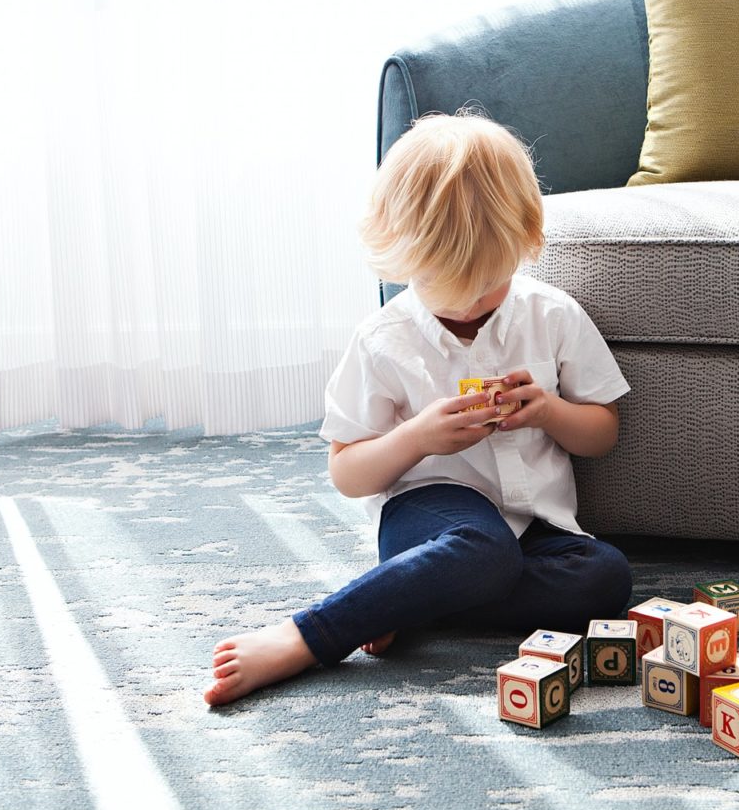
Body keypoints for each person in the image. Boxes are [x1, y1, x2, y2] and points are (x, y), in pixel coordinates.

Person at [204, 108, 633, 707]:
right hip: (431, 512)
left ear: (524, 243)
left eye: (487, 286)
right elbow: (347, 472)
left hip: (537, 523)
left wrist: (548, 412)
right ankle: (313, 632)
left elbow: (602, 432)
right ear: (402, 259)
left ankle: (414, 598)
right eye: (442, 287)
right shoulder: (383, 339)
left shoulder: (552, 315)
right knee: (481, 553)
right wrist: (418, 439)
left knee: (605, 578)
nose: (466, 309)